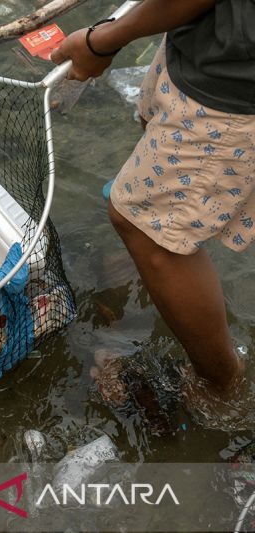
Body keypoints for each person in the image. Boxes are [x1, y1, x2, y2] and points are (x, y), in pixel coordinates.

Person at [51, 0, 254, 396]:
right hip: (203, 41)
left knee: (149, 235)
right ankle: (152, 271)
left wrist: (103, 41)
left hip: (233, 78)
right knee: (152, 128)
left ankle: (222, 387)